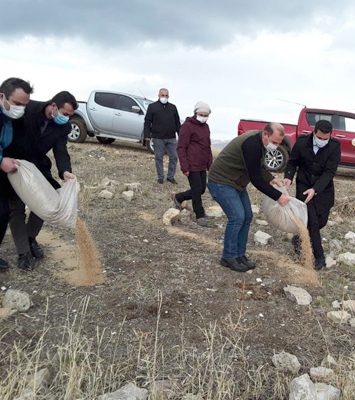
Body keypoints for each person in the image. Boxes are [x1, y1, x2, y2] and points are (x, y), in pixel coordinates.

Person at [5, 91, 78, 270]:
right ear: (53, 106)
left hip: (38, 166)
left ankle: (31, 238)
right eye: (65, 114)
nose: (67, 118)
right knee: (17, 209)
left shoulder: (63, 127)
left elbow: (61, 150)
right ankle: (23, 253)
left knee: (45, 205)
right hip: (15, 163)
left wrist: (65, 171)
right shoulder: (27, 109)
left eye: (70, 115)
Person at [207, 123, 290, 273]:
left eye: (279, 143)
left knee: (247, 216)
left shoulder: (261, 143)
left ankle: (239, 254)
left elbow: (257, 166)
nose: (276, 146)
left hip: (236, 183)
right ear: (265, 134)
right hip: (221, 182)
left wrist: (270, 178)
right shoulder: (251, 143)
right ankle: (228, 256)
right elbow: (255, 178)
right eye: (275, 142)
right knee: (237, 217)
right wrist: (278, 196)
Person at [284, 119, 341, 271]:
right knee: (313, 221)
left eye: (325, 139)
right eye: (319, 138)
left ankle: (298, 237)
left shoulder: (335, 146)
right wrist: (288, 177)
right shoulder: (302, 142)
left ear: (330, 136)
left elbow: (330, 172)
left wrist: (315, 189)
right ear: (314, 132)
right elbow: (292, 163)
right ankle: (319, 256)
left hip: (323, 188)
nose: (322, 141)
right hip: (304, 185)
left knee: (321, 220)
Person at [0, 77, 33, 272]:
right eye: (17, 104)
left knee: (3, 213)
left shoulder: (9, 118)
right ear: (2, 96)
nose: (20, 109)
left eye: (24, 105)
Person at [172, 101, 213, 227]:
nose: (203, 117)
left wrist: (210, 164)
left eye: (206, 115)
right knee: (196, 190)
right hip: (191, 163)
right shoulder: (187, 126)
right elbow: (181, 147)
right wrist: (185, 166)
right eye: (201, 114)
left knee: (201, 189)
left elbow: (207, 147)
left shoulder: (206, 127)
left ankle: (178, 197)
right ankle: (199, 214)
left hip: (202, 164)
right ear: (195, 113)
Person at [144, 88, 181, 184]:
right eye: (162, 95)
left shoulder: (173, 108)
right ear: (159, 96)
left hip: (171, 137)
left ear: (168, 96)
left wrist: (180, 134)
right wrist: (147, 134)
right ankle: (160, 177)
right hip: (158, 137)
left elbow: (177, 122)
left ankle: (170, 176)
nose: (164, 97)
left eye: (166, 95)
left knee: (174, 157)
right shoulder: (152, 107)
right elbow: (147, 121)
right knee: (158, 157)